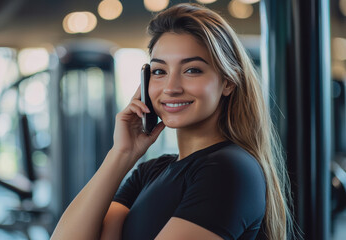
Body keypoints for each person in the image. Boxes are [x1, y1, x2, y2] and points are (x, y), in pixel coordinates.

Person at [51, 3, 294, 240]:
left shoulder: (230, 170)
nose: (171, 88)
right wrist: (122, 153)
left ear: (228, 82)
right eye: (159, 71)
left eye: (192, 70)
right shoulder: (150, 172)